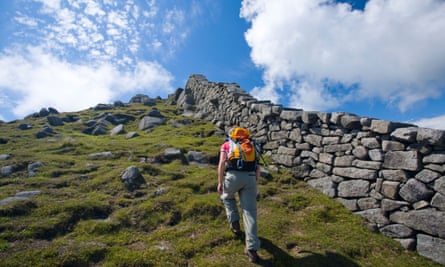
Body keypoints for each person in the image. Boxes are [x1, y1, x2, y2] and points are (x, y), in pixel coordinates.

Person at [217, 127, 261, 263]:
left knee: (227, 197)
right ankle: (252, 249)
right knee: (250, 212)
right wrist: (255, 183)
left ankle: (234, 223)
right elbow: (257, 167)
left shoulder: (226, 145)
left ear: (232, 135)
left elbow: (222, 164)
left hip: (233, 177)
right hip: (251, 178)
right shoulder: (251, 145)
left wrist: (220, 182)